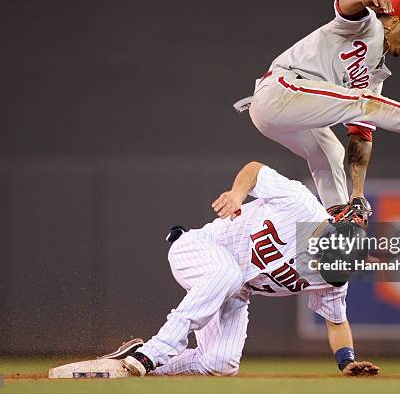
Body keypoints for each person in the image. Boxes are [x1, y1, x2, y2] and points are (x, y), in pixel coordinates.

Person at [100, 162, 379, 377]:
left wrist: (347, 361)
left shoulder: (333, 278)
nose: (323, 270)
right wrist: (237, 194)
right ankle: (154, 351)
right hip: (198, 248)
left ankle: (132, 361)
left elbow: (337, 322)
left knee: (221, 364)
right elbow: (255, 170)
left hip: (232, 291)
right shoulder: (302, 206)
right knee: (229, 275)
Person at [238, 0, 400, 211]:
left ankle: (339, 219)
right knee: (361, 101)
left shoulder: (375, 76)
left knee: (331, 152)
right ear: (395, 21)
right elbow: (343, 5)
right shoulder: (368, 25)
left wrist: (358, 192)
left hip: (289, 113)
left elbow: (361, 135)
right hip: (280, 91)